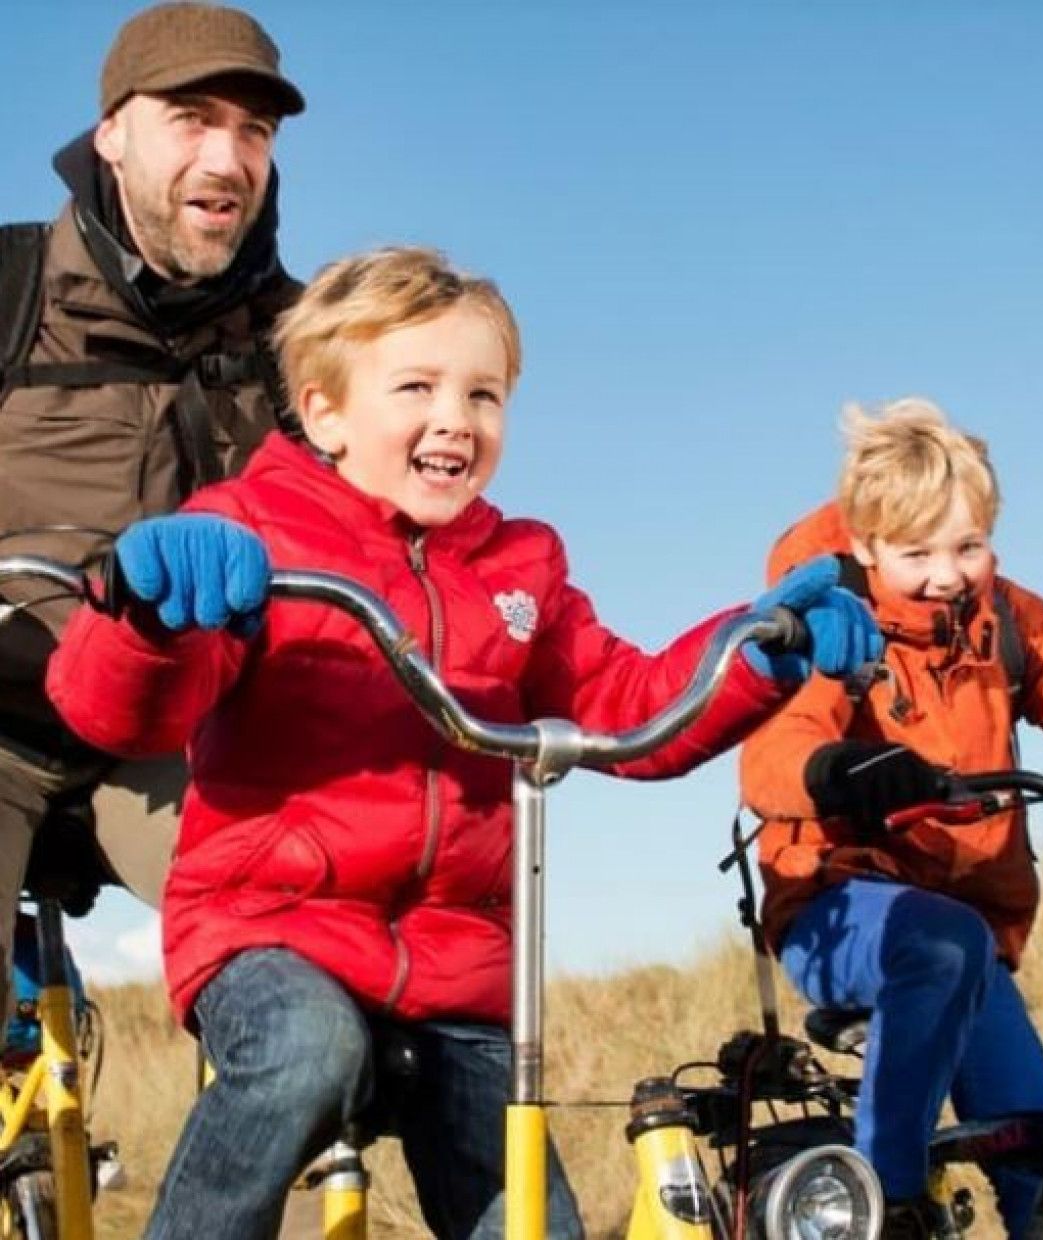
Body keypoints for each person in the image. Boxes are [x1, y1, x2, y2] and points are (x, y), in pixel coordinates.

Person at [46, 248, 879, 1240]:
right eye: (417, 387)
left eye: (484, 393)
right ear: (324, 414)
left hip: (462, 971)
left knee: (531, 1218)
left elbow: (625, 701)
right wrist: (149, 615)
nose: (457, 418)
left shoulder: (520, 562)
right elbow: (124, 716)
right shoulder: (250, 534)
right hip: (275, 928)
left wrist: (755, 650)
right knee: (305, 1049)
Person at [738, 398, 1043, 1239]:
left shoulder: (1005, 621)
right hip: (838, 905)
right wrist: (836, 769)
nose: (947, 573)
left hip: (974, 936)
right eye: (917, 553)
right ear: (867, 548)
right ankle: (889, 1194)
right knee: (940, 944)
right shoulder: (836, 627)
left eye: (968, 546)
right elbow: (774, 751)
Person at [0, 1, 304, 1002]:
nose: (227, 158)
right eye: (191, 118)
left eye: (252, 130)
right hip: (6, 724)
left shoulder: (309, 342)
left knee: (315, 969)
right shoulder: (9, 290)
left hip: (187, 736)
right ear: (112, 134)